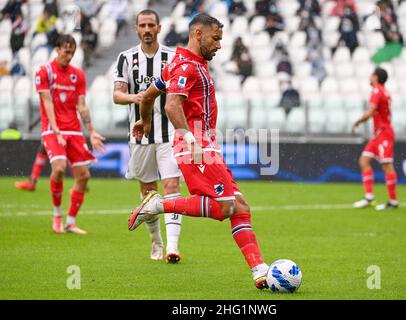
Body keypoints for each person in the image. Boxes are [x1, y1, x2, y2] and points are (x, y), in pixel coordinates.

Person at [129, 13, 270, 289]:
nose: (218, 45)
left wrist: (145, 121)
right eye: (215, 39)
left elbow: (147, 96)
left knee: (240, 207)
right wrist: (188, 138)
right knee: (224, 207)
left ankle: (259, 269)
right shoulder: (186, 68)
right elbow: (171, 105)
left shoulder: (182, 64)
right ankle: (158, 204)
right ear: (197, 34)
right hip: (195, 145)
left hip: (207, 145)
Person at [113, 9, 183, 263]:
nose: (146, 29)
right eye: (142, 25)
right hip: (140, 135)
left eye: (150, 25)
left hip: (169, 134)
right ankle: (156, 241)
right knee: (149, 192)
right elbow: (117, 94)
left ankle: (173, 247)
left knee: (172, 185)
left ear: (159, 28)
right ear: (136, 29)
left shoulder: (172, 58)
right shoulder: (126, 58)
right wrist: (137, 97)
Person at [35, 34, 105, 234]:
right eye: (66, 52)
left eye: (72, 53)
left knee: (83, 175)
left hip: (74, 130)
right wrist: (56, 130)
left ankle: (71, 221)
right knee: (58, 168)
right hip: (52, 129)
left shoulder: (78, 75)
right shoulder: (44, 72)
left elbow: (82, 105)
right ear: (57, 49)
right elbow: (47, 101)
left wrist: (90, 132)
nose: (69, 56)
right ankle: (57, 215)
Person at [352, 67, 398, 211]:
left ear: (376, 77)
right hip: (378, 134)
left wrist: (357, 122)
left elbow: (370, 112)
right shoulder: (384, 91)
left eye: (371, 74)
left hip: (384, 133)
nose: (369, 77)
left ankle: (392, 201)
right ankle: (369, 197)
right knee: (364, 161)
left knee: (387, 165)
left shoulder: (377, 91)